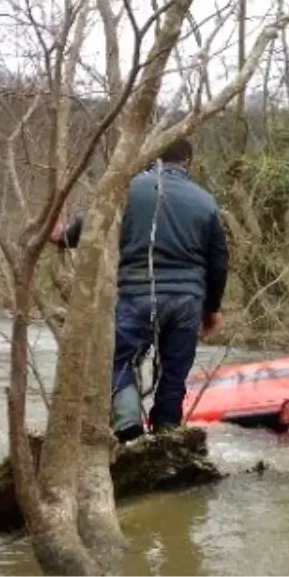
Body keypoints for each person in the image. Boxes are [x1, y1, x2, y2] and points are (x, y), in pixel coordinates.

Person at [48, 137, 229, 443]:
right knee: (174, 374)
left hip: (137, 293)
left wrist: (63, 237)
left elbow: (93, 225)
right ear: (188, 162)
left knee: (116, 359)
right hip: (187, 301)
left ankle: (129, 423)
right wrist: (211, 309)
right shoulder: (206, 201)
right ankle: (167, 439)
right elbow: (219, 262)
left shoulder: (127, 190)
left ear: (152, 157)